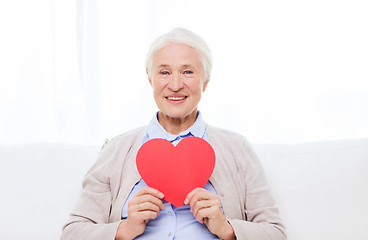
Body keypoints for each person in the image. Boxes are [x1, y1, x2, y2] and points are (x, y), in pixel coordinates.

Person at [61, 28, 286, 240]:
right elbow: (73, 233)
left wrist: (227, 228)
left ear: (205, 81)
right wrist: (125, 229)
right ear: (150, 78)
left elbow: (276, 233)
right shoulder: (116, 151)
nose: (175, 84)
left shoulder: (237, 149)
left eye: (187, 72)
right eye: (164, 72)